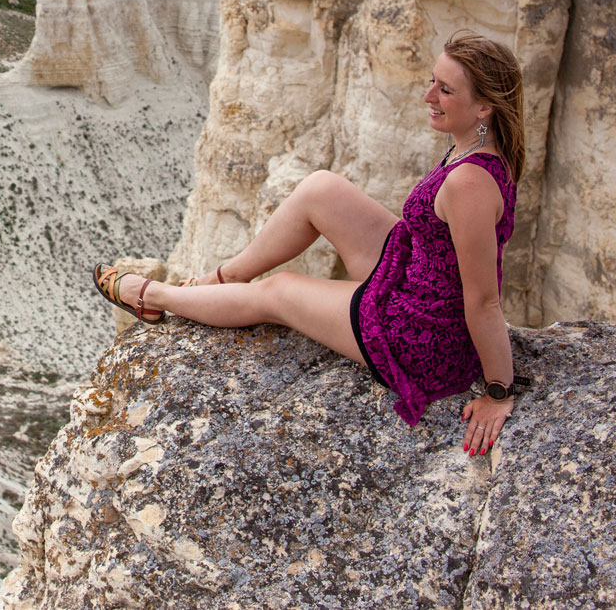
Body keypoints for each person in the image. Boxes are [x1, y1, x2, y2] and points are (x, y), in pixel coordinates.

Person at [93, 31, 528, 456]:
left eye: (446, 89)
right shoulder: (466, 148)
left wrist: (498, 391)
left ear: (485, 106)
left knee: (279, 291)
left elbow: (485, 301)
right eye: (432, 80)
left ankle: (154, 296)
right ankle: (219, 278)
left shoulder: (470, 183)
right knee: (320, 189)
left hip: (424, 332)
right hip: (411, 267)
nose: (429, 95)